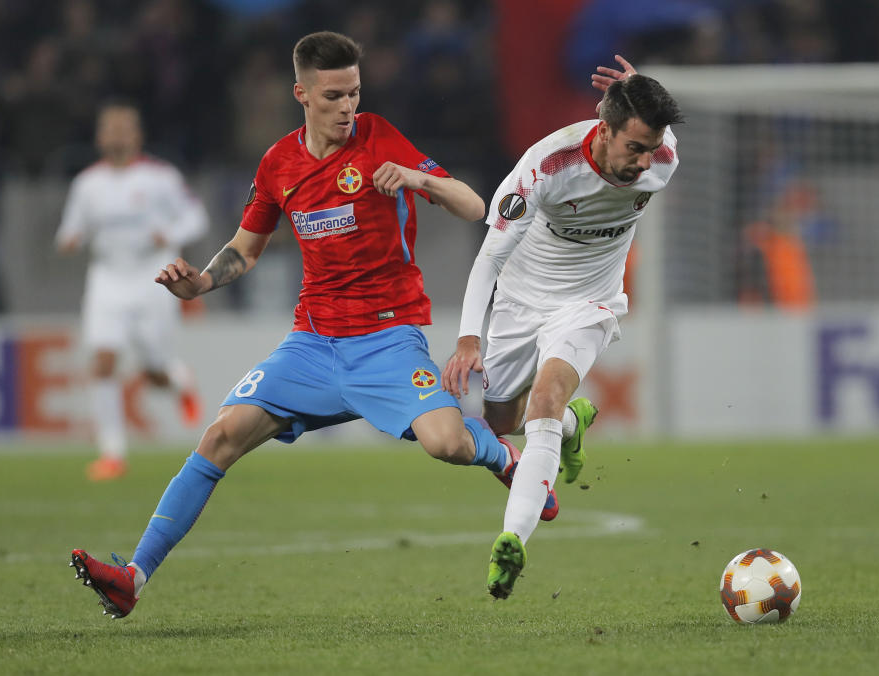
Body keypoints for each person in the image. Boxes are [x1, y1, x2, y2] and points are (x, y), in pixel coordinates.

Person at [68, 31, 560, 619]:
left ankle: (503, 459)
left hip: (387, 338)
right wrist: (196, 283)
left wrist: (416, 178)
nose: (347, 107)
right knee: (221, 437)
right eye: (333, 96)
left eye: (354, 93)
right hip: (312, 344)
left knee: (448, 444)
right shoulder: (279, 162)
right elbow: (245, 250)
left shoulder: (380, 139)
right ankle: (132, 578)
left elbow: (475, 205)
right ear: (301, 93)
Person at [442, 56, 684, 599]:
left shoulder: (663, 156)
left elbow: (650, 127)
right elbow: (490, 258)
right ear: (603, 131)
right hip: (521, 301)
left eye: (651, 148)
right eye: (634, 149)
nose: (646, 163)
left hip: (590, 302)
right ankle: (573, 428)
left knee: (542, 403)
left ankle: (512, 540)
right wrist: (468, 338)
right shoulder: (545, 168)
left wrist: (639, 83)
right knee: (499, 424)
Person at [56, 102, 207, 481]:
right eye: (111, 129)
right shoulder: (87, 184)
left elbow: (196, 217)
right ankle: (112, 453)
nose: (118, 136)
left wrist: (170, 234)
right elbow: (69, 231)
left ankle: (177, 379)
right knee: (104, 361)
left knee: (153, 371)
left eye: (125, 128)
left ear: (137, 135)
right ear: (100, 137)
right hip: (107, 279)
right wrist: (70, 240)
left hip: (154, 278)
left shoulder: (161, 177)